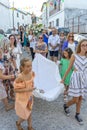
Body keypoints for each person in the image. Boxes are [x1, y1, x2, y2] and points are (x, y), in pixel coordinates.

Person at [61, 39, 87, 125]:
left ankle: (77, 114)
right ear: (80, 46)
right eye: (83, 45)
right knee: (75, 99)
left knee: (80, 98)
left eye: (86, 45)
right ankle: (66, 105)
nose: (85, 47)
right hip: (76, 77)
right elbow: (69, 68)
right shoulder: (74, 55)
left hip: (84, 78)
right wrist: (63, 79)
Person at [14, 58, 35, 130]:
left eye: (31, 66)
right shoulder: (20, 77)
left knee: (29, 111)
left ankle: (29, 126)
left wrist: (32, 87)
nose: (30, 68)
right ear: (22, 67)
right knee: (24, 114)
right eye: (27, 66)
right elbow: (15, 90)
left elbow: (31, 82)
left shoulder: (31, 73)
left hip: (29, 97)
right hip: (22, 98)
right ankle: (18, 123)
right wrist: (28, 89)